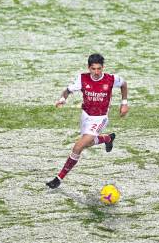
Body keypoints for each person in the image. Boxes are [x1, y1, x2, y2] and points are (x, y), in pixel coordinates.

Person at [46, 53, 128, 189]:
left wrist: (124, 103)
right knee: (87, 144)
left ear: (103, 67)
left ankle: (58, 178)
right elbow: (67, 90)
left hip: (100, 118)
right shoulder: (82, 79)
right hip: (85, 116)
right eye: (93, 69)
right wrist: (62, 99)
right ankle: (108, 138)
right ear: (88, 68)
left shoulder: (111, 79)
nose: (96, 72)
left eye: (99, 69)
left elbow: (124, 84)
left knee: (78, 147)